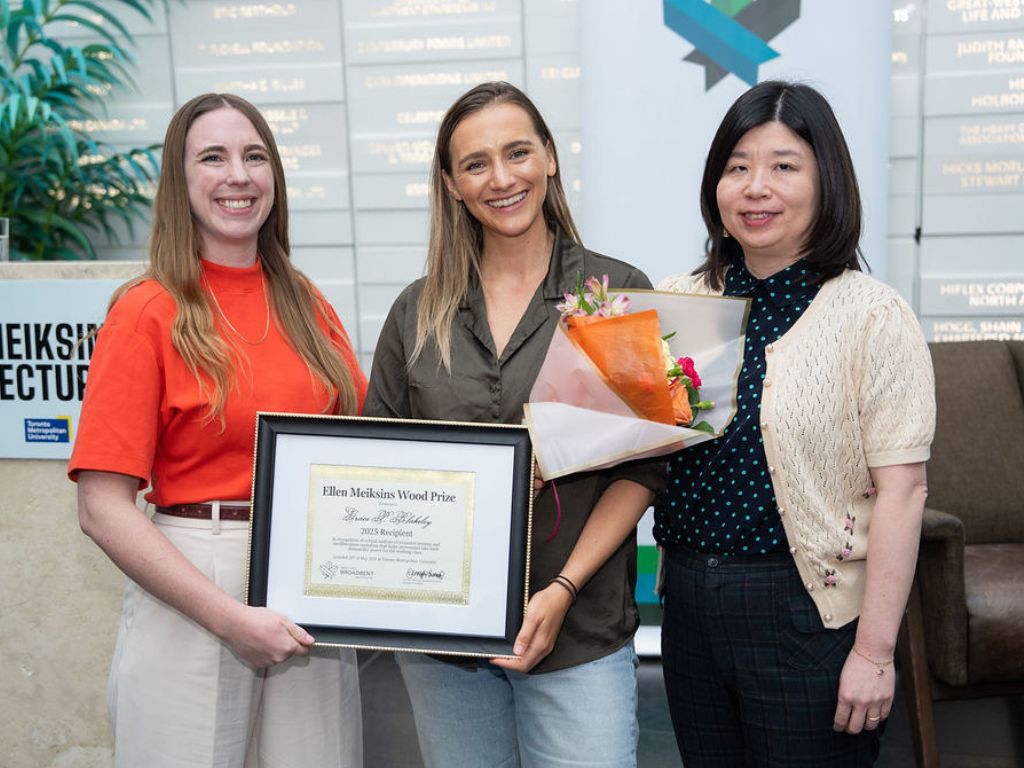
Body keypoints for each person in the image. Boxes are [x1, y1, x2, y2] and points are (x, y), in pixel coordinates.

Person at [363, 81, 666, 767]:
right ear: (451, 184)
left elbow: (644, 467)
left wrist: (561, 590)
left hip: (580, 632)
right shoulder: (416, 312)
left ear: (550, 158)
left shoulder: (612, 297)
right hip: (445, 644)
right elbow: (376, 466)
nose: (502, 179)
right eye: (476, 164)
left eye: (517, 153)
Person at [68, 93, 365, 768]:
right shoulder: (146, 312)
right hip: (193, 583)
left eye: (255, 156)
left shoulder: (308, 304)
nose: (239, 175)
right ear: (181, 180)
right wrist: (228, 616)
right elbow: (101, 506)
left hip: (308, 582)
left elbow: (361, 457)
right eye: (214, 157)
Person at [655, 80, 936, 767]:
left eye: (784, 166)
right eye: (737, 166)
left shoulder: (872, 315)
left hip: (808, 614)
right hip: (689, 606)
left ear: (826, 180)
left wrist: (874, 652)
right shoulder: (677, 304)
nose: (757, 188)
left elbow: (902, 492)